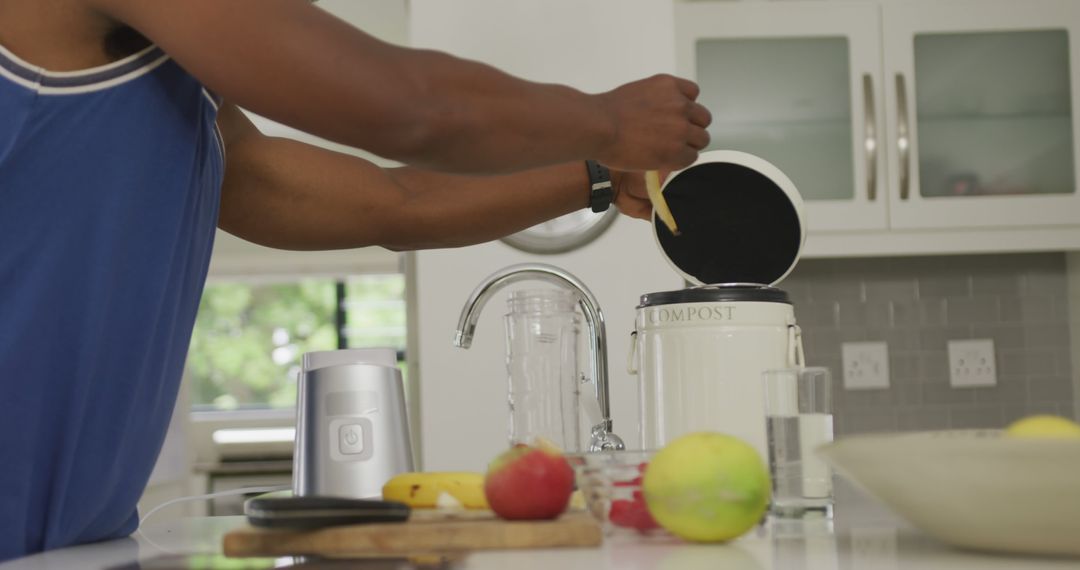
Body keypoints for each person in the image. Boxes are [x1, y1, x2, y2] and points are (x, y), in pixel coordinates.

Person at [0, 0, 711, 559]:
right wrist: (607, 119)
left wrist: (596, 171)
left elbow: (395, 205)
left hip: (71, 544)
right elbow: (409, 108)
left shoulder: (180, 102)